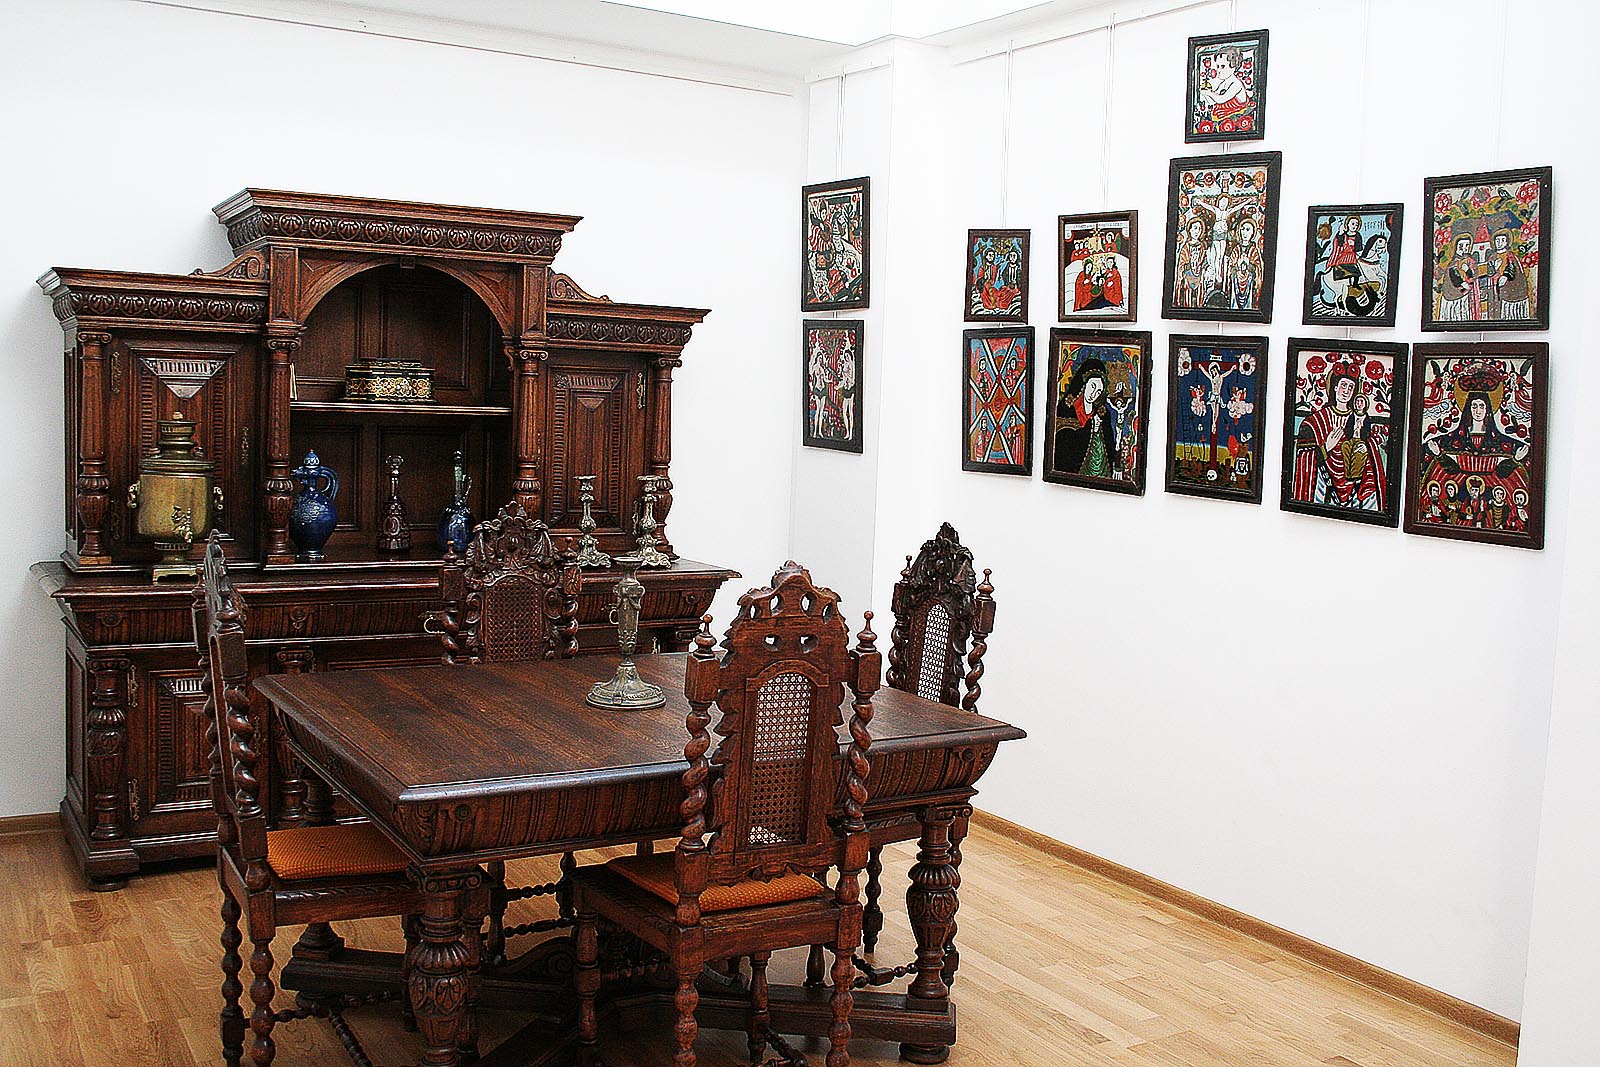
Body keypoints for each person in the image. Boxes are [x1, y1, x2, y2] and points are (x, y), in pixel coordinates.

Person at [1289, 363, 1388, 510]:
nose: (1346, 391)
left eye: (1351, 387)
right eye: (1343, 385)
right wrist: (1326, 448)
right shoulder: (1315, 421)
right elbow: (1304, 457)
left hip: (1355, 484)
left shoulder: (1359, 419)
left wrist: (1365, 446)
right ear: (1335, 387)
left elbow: (1371, 448)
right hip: (1323, 484)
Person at [1054, 357, 1119, 479]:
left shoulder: (1102, 414)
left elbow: (1109, 446)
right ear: (1084, 384)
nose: (1094, 394)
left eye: (1099, 391)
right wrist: (1090, 429)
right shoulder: (1066, 410)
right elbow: (1062, 446)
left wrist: (1098, 432)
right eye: (1093, 386)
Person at [1198, 46, 1253, 125]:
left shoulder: (1236, 84)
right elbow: (1212, 102)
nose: (1218, 70)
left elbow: (1221, 99)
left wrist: (1209, 93)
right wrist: (1205, 93)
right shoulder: (1224, 83)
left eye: (1222, 66)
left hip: (1235, 115)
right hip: (1222, 115)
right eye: (1217, 66)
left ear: (1234, 66)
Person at [1487, 229, 1530, 320]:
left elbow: (1512, 267)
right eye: (1497, 240)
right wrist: (1495, 268)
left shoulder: (1510, 255)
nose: (1499, 243)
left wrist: (1505, 276)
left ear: (1507, 242)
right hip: (1497, 290)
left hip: (1511, 288)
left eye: (1502, 240)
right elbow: (1490, 272)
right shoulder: (1492, 257)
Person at [1436, 234, 1481, 322]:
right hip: (1453, 292)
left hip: (1466, 293)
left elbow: (1475, 273)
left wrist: (1468, 270)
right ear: (1456, 247)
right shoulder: (1453, 262)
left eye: (1467, 245)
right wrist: (1461, 283)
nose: (1464, 248)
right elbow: (1453, 273)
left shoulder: (1470, 260)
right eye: (1461, 245)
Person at [1174, 216, 1208, 308]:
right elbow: (1181, 264)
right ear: (1190, 230)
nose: (1197, 231)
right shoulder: (1186, 248)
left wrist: (1204, 268)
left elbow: (1204, 261)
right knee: (1187, 290)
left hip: (1199, 276)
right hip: (1188, 276)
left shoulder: (1202, 247)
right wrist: (1189, 264)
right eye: (1195, 228)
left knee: (1200, 290)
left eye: (1199, 229)